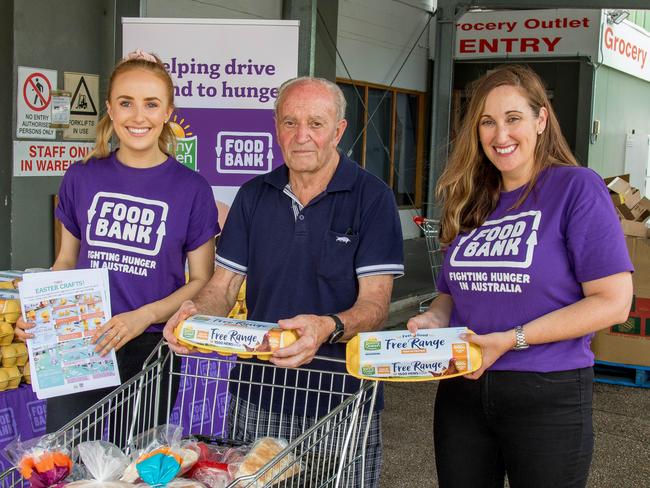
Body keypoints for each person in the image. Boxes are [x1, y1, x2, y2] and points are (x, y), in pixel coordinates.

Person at [164, 76, 404, 487]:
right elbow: (222, 287)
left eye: (316, 123)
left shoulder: (373, 198)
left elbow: (376, 306)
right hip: (257, 391)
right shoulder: (253, 195)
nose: (302, 136)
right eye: (290, 122)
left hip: (340, 396)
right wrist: (193, 316)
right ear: (276, 128)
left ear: (339, 131)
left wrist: (326, 327)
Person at [407, 64, 633, 488]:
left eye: (513, 119)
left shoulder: (576, 189)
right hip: (463, 391)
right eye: (487, 122)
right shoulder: (469, 197)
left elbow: (613, 302)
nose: (500, 135)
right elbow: (450, 294)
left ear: (541, 119)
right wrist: (433, 321)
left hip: (547, 393)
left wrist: (511, 340)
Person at [16, 49, 220, 433]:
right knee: (67, 460)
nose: (138, 116)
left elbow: (200, 280)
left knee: (132, 467)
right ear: (110, 108)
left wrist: (144, 316)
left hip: (150, 346)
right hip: (81, 341)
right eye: (126, 103)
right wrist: (41, 313)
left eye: (151, 104)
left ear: (167, 113)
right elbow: (64, 262)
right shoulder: (81, 177)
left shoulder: (192, 189)